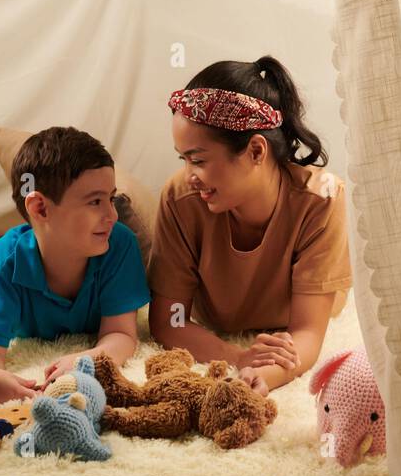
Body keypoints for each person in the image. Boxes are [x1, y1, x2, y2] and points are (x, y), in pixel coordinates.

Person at [147, 55, 351, 397]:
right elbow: (170, 321)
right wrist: (237, 358)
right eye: (183, 159)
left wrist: (264, 378)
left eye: (198, 160)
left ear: (256, 151)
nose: (189, 176)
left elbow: (307, 333)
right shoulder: (179, 199)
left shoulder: (322, 200)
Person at [0, 127, 149, 403]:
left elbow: (120, 333)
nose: (111, 213)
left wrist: (88, 359)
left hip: (43, 245)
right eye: (95, 201)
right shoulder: (4, 263)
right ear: (40, 209)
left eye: (111, 198)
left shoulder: (120, 245)